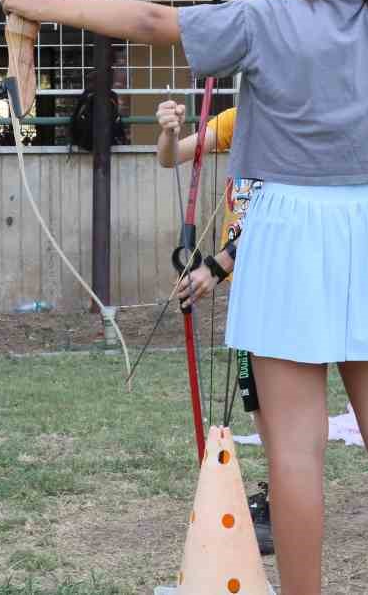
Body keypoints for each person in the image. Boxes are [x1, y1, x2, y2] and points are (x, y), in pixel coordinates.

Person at [0, 0, 368, 595]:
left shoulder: (266, 22)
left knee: (295, 445)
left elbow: (150, 19)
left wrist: (36, 5)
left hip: (291, 224)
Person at [154, 98, 274, 556]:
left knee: (279, 402)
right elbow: (170, 157)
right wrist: (168, 131)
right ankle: (284, 496)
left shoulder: (290, 123)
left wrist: (216, 267)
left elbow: (276, 217)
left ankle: (285, 505)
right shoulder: (238, 120)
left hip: (278, 278)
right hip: (250, 284)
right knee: (260, 401)